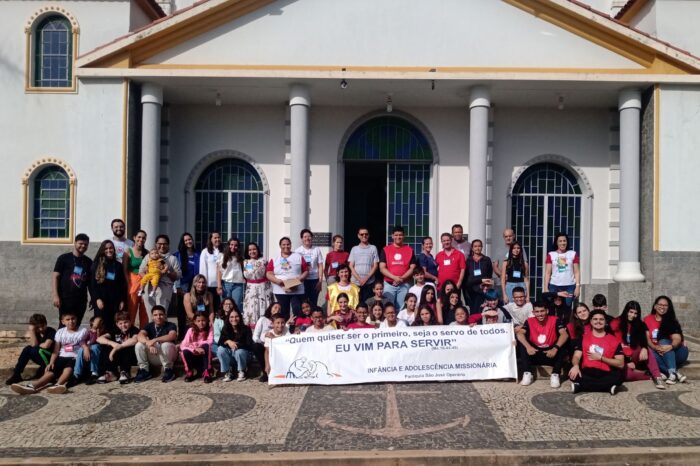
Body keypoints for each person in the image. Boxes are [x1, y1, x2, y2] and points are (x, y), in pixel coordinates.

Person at [11, 312, 88, 395]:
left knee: (68, 368)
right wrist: (51, 362)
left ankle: (58, 384)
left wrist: (86, 349)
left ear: (77, 319)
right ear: (63, 322)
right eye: (68, 319)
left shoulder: (82, 331)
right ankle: (32, 386)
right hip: (61, 356)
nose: (71, 321)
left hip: (75, 357)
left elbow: (85, 344)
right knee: (51, 371)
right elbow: (56, 350)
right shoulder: (60, 332)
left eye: (73, 319)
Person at [569, 309, 625, 395]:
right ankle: (607, 387)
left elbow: (621, 363)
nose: (598, 321)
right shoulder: (583, 338)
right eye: (595, 319)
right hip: (588, 371)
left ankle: (581, 386)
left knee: (619, 376)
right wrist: (575, 366)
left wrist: (601, 358)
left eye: (601, 319)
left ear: (605, 322)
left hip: (605, 372)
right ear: (591, 321)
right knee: (574, 374)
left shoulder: (614, 340)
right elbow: (576, 356)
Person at [613, 301, 665, 389]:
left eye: (635, 313)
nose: (633, 315)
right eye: (631, 312)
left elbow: (643, 338)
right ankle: (647, 375)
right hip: (621, 356)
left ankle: (657, 376)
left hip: (634, 354)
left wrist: (644, 348)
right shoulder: (617, 322)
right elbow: (616, 344)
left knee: (647, 350)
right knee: (626, 375)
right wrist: (627, 361)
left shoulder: (640, 324)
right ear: (626, 311)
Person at [516, 301, 568, 388]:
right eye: (537, 311)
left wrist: (555, 348)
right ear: (533, 312)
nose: (540, 314)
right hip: (534, 353)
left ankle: (555, 374)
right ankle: (527, 373)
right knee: (522, 342)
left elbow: (564, 334)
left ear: (547, 311)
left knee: (562, 344)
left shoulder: (555, 320)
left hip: (550, 354)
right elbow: (520, 333)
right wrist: (528, 347)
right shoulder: (529, 321)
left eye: (542, 311)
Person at [644, 296, 689, 384]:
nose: (662, 307)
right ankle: (673, 373)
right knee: (648, 350)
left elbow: (677, 338)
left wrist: (670, 346)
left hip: (677, 353)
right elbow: (647, 339)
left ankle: (671, 373)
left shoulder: (671, 320)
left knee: (663, 341)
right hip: (658, 352)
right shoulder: (647, 319)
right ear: (655, 306)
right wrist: (656, 348)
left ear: (668, 307)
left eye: (665, 305)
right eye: (660, 304)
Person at [52, 233, 92, 326]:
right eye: (80, 243)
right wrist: (55, 295)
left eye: (85, 244)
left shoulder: (88, 262)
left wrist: (93, 297)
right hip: (65, 298)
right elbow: (55, 277)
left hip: (81, 299)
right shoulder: (63, 258)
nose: (83, 246)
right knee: (64, 324)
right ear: (75, 243)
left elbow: (90, 282)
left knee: (77, 324)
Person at [5, 314, 56, 385]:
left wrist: (38, 345)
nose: (41, 329)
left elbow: (46, 345)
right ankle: (16, 374)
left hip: (50, 358)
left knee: (30, 349)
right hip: (41, 355)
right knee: (27, 349)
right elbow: (34, 344)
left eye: (43, 326)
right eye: (38, 327)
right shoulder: (35, 332)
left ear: (46, 323)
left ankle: (44, 372)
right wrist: (31, 330)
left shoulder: (51, 331)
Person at [138, 234, 182, 315]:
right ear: (156, 244)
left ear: (168, 245)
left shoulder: (172, 258)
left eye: (164, 244)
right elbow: (140, 271)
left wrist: (167, 272)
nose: (162, 246)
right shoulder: (148, 256)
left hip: (164, 288)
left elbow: (178, 275)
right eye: (160, 244)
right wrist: (149, 277)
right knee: (150, 316)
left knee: (161, 315)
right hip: (149, 288)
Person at [266, 237, 309, 319]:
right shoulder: (274, 259)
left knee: (297, 310)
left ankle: (296, 326)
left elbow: (306, 271)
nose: (286, 246)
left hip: (296, 290)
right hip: (280, 290)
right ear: (280, 246)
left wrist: (298, 280)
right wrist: (277, 281)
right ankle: (284, 326)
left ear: (291, 245)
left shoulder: (298, 257)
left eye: (288, 244)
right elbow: (268, 273)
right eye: (283, 244)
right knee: (283, 312)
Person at [134, 305, 178, 383]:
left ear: (165, 315)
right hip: (154, 354)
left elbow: (172, 335)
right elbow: (140, 335)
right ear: (152, 317)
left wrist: (154, 340)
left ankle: (168, 370)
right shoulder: (149, 326)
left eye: (161, 314)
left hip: (168, 355)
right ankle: (144, 370)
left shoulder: (171, 325)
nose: (158, 317)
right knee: (139, 345)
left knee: (165, 345)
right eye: (155, 315)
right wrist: (148, 343)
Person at [90, 240, 127, 332]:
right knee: (101, 324)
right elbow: (92, 285)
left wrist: (122, 300)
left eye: (111, 248)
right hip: (101, 300)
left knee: (114, 324)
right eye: (106, 248)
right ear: (102, 250)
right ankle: (100, 340)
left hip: (115, 301)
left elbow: (122, 285)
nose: (109, 250)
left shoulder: (118, 265)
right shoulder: (96, 265)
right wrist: (97, 299)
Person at [96, 311, 139, 384]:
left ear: (130, 321)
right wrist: (112, 343)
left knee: (126, 348)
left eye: (125, 322)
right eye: (120, 323)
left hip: (130, 357)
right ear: (117, 324)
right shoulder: (115, 330)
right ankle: (111, 372)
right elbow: (99, 339)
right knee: (106, 347)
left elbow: (134, 340)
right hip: (116, 357)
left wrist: (117, 347)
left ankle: (125, 372)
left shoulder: (134, 330)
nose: (123, 325)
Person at [379, 225, 417, 308]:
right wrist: (394, 278)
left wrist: (401, 278)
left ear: (404, 236)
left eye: (400, 235)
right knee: (388, 308)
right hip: (389, 284)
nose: (398, 237)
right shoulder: (385, 249)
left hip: (404, 284)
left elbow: (412, 268)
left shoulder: (410, 250)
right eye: (396, 235)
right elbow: (382, 268)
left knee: (402, 308)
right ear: (392, 236)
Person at [543, 232, 580, 310]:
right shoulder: (551, 254)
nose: (562, 243)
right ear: (556, 242)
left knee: (567, 307)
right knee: (553, 307)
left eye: (564, 241)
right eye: (560, 241)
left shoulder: (572, 254)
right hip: (554, 286)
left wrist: (577, 287)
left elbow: (576, 272)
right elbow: (547, 273)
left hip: (569, 286)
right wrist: (546, 287)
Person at [174, 233, 200, 339]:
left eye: (190, 239)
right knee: (182, 312)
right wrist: (177, 287)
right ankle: (182, 335)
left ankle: (196, 333)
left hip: (196, 286)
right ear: (183, 242)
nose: (188, 242)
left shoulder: (198, 254)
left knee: (197, 309)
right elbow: (176, 271)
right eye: (185, 240)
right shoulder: (177, 255)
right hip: (183, 286)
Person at [122, 230, 149, 328]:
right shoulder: (128, 251)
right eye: (139, 237)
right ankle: (130, 330)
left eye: (143, 238)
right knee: (131, 308)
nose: (141, 239)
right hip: (132, 281)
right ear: (134, 238)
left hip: (144, 282)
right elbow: (124, 269)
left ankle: (144, 330)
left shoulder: (147, 253)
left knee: (144, 308)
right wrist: (128, 282)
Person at [242, 242, 271, 328]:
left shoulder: (264, 261)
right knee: (252, 308)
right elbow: (248, 274)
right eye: (250, 250)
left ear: (257, 250)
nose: (252, 251)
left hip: (263, 288)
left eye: (254, 249)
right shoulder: (246, 262)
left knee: (262, 306)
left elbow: (268, 274)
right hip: (251, 289)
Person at [217, 310, 253, 381]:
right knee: (220, 349)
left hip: (243, 355)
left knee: (239, 352)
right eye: (232, 317)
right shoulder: (225, 328)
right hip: (231, 355)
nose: (234, 319)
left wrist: (236, 345)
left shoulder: (246, 329)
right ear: (228, 318)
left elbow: (249, 344)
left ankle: (242, 371)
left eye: (236, 316)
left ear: (240, 317)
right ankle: (228, 372)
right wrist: (228, 341)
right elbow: (220, 342)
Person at [252, 302, 283, 382]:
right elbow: (255, 336)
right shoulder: (263, 319)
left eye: (279, 309)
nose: (277, 310)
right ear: (270, 308)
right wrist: (263, 342)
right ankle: (265, 372)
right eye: (275, 307)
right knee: (256, 346)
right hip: (263, 344)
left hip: (276, 344)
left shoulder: (281, 321)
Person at [348, 227, 379, 302]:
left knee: (368, 303)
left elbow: (375, 265)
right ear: (358, 236)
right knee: (355, 303)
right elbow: (351, 266)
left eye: (366, 234)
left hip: (369, 282)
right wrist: (359, 279)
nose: (364, 236)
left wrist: (366, 279)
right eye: (362, 234)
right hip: (355, 282)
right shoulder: (354, 249)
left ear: (369, 235)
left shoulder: (373, 248)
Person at [180, 314, 213, 383]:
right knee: (184, 351)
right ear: (195, 322)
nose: (201, 323)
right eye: (198, 321)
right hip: (193, 354)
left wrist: (199, 346)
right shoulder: (191, 330)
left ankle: (207, 372)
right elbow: (183, 344)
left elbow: (210, 341)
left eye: (203, 320)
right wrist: (195, 349)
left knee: (206, 346)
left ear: (207, 321)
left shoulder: (209, 328)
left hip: (203, 354)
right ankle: (190, 372)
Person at [295, 229, 324, 306]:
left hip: (314, 280)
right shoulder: (298, 251)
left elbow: (320, 266)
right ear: (302, 238)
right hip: (303, 280)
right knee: (303, 303)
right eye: (305, 237)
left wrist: (320, 281)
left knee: (313, 302)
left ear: (312, 237)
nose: (307, 238)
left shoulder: (316, 250)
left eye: (309, 236)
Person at [465, 239, 493, 313]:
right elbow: (467, 277)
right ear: (472, 248)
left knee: (482, 310)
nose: (477, 248)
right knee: (472, 310)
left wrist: (486, 285)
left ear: (482, 247)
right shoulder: (468, 261)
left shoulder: (486, 260)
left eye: (479, 246)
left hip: (483, 289)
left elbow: (489, 275)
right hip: (471, 290)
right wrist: (481, 280)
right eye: (475, 246)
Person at [74, 316, 104, 385]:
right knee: (81, 349)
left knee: (95, 347)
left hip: (97, 348)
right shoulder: (88, 331)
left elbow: (96, 340)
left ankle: (94, 373)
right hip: (88, 347)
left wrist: (97, 331)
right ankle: (76, 374)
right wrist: (86, 347)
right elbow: (82, 341)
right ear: (92, 322)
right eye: (98, 321)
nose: (99, 322)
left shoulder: (102, 331)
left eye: (101, 321)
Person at [217, 237, 245, 311]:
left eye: (236, 245)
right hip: (226, 284)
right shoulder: (222, 255)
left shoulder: (241, 257)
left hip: (238, 285)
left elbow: (244, 270)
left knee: (236, 306)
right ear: (228, 245)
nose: (233, 247)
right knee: (225, 306)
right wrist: (219, 286)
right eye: (231, 244)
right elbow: (219, 272)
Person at [199, 231, 223, 310]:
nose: (217, 239)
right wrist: (203, 283)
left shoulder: (223, 251)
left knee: (218, 306)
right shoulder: (205, 251)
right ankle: (201, 317)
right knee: (205, 305)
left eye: (218, 237)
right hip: (208, 284)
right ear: (211, 239)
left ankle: (216, 318)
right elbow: (203, 268)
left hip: (220, 285)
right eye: (215, 238)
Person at [264, 314, 289, 380]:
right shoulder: (269, 334)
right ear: (272, 324)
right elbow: (267, 351)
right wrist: (267, 364)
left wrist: (274, 338)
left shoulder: (286, 330)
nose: (280, 325)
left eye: (282, 323)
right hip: (275, 358)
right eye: (278, 323)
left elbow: (287, 346)